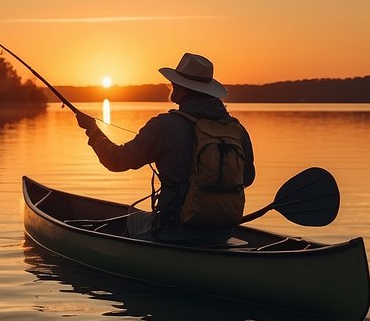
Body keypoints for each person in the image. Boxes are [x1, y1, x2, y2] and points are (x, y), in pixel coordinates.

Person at [75, 53, 254, 241]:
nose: (172, 86)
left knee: (131, 219)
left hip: (174, 231)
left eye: (175, 83)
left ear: (183, 90)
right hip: (223, 233)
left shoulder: (165, 125)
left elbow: (116, 161)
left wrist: (92, 130)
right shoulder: (236, 129)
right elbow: (247, 178)